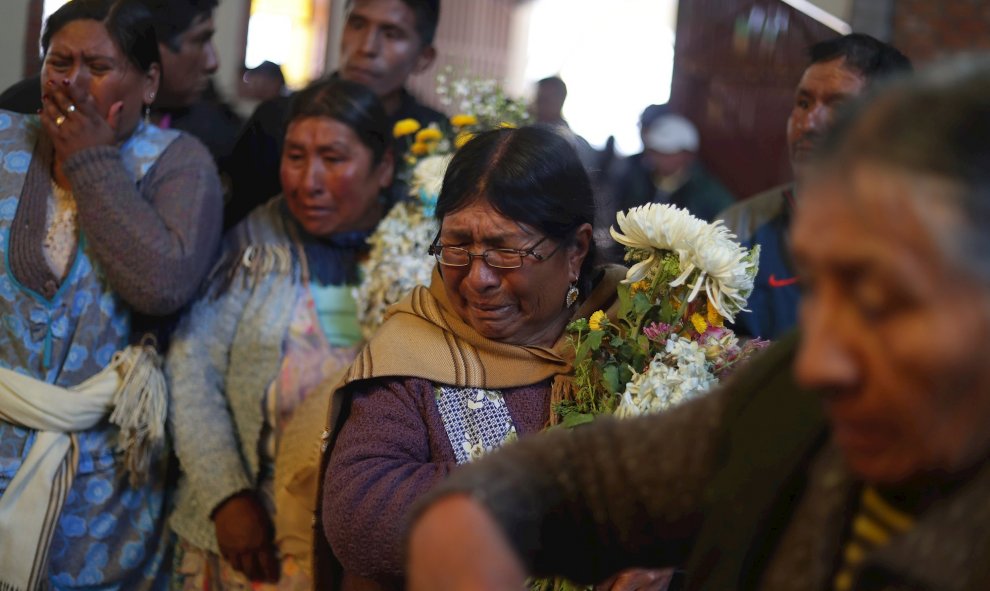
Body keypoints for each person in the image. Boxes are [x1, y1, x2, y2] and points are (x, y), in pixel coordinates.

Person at [406, 56, 990, 590]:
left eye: (882, 303)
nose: (816, 361)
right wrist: (479, 516)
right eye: (818, 288)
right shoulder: (795, 403)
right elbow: (606, 480)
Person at [317, 125, 645, 589]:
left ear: (576, 250)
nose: (477, 279)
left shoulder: (640, 330)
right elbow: (360, 515)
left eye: (504, 251)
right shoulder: (413, 348)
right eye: (457, 247)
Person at [0, 0, 223, 588]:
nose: (71, 80)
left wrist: (93, 159)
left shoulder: (180, 164)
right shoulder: (4, 141)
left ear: (148, 82)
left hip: (106, 477)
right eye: (59, 61)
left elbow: (161, 285)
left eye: (97, 65)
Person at [166, 77, 395, 589]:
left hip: (355, 545)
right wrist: (227, 496)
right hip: (244, 541)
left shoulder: (415, 252)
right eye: (295, 155)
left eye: (333, 159)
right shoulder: (253, 243)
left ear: (383, 169)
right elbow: (191, 368)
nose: (308, 180)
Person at [717, 33, 911, 340]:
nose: (808, 123)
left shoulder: (928, 244)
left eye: (838, 105)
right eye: (803, 103)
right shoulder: (736, 229)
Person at [224, 0, 445, 230]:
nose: (367, 47)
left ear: (424, 57)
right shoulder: (278, 119)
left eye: (391, 34)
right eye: (357, 25)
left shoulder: (436, 137)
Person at [610, 113, 734, 223]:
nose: (658, 157)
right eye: (655, 151)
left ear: (687, 155)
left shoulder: (708, 192)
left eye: (667, 152)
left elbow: (729, 228)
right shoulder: (637, 180)